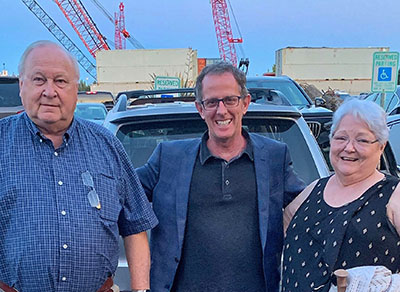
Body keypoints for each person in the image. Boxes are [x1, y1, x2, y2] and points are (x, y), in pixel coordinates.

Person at [0, 40, 158, 292]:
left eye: (60, 81)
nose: (49, 91)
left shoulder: (108, 145)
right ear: (22, 86)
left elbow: (136, 226)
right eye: (39, 80)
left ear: (76, 90)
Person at [136, 62, 306, 292]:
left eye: (230, 100)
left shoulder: (275, 157)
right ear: (200, 108)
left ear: (245, 103)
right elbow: (118, 191)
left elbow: (314, 209)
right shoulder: (168, 159)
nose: (221, 110)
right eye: (212, 102)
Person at [282, 98, 400, 292]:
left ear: (381, 146)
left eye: (362, 140)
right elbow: (279, 238)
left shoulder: (394, 195)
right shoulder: (312, 191)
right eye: (341, 138)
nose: (349, 147)